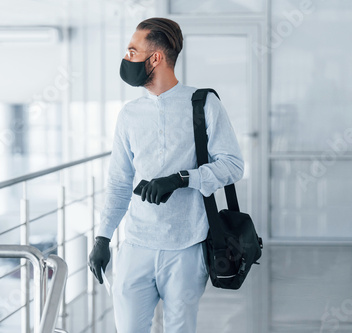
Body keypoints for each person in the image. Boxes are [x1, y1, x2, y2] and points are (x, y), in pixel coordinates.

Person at [88, 17, 244, 333]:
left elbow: (232, 165)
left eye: (133, 51)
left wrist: (180, 179)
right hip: (135, 245)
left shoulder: (203, 104)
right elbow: (119, 182)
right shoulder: (129, 115)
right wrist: (103, 237)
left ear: (155, 58)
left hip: (187, 246)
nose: (126, 58)